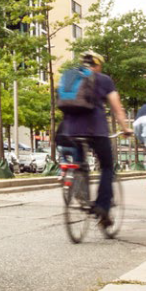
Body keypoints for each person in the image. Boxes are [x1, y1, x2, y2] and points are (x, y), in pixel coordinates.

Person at [57, 51, 131, 228]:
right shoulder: (104, 79)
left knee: (80, 163)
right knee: (107, 166)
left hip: (71, 131)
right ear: (97, 65)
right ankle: (102, 207)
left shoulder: (69, 76)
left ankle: (81, 196)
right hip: (96, 130)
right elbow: (117, 107)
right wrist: (125, 128)